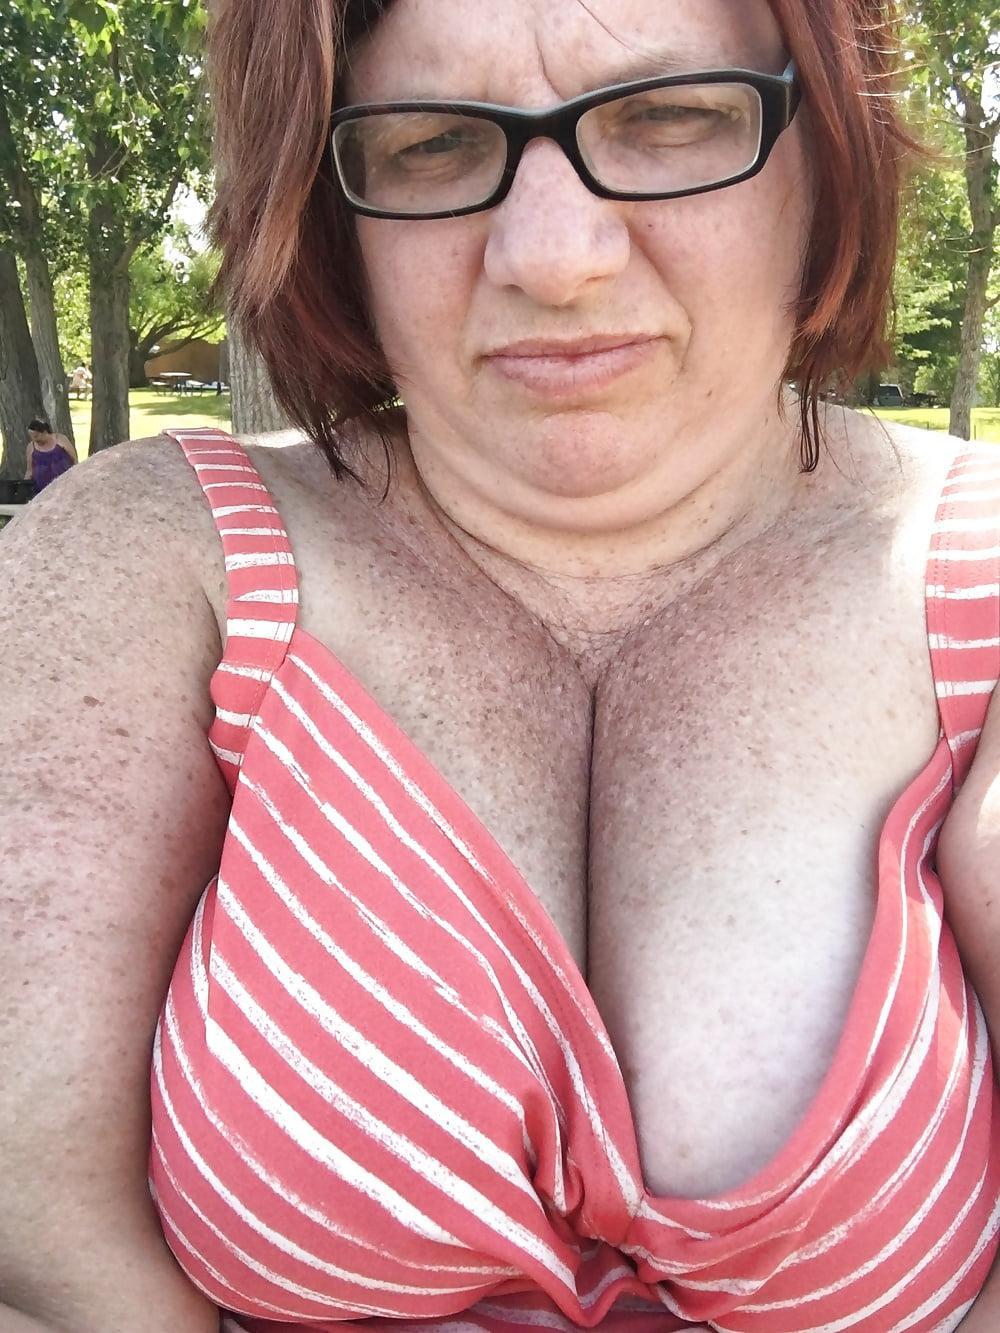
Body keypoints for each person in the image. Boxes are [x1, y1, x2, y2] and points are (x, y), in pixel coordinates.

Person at [0, 1, 998, 1330]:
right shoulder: (149, 559)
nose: (553, 257)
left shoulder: (978, 571)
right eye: (431, 145)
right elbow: (35, 1244)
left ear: (827, 156)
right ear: (330, 207)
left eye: (668, 118)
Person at [24, 416, 77, 493]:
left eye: (36, 436)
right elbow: (29, 471)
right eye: (31, 437)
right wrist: (23, 487)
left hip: (64, 487)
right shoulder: (31, 447)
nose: (34, 439)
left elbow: (74, 460)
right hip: (41, 490)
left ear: (44, 432)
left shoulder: (60, 440)